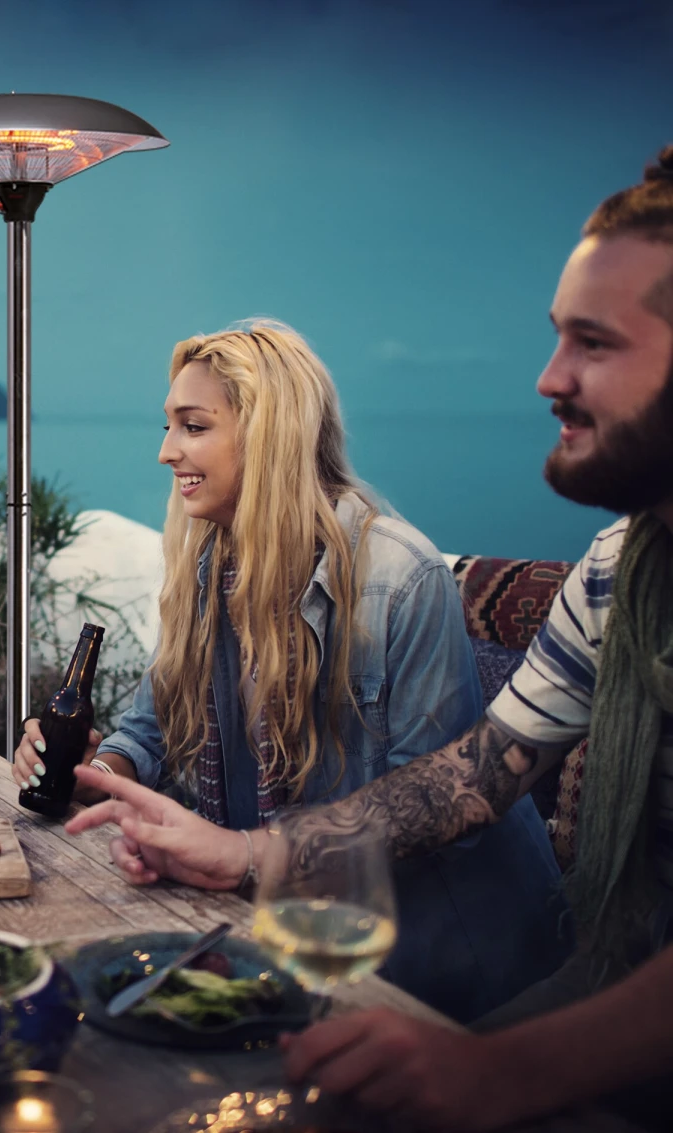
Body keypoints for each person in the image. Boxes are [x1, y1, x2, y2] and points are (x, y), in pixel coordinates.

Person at [64, 148, 673, 1132]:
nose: (547, 378)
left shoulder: (395, 574)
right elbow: (475, 772)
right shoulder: (618, 571)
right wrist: (229, 846)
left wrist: (500, 1068)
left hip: (449, 964)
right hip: (578, 978)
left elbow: (441, 831)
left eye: (593, 342)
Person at [17, 321, 568, 1021]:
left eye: (193, 426)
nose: (166, 451)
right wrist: (92, 772)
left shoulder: (400, 578)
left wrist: (245, 853)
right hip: (285, 933)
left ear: (270, 435)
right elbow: (147, 733)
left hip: (441, 973)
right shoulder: (209, 569)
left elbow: (439, 810)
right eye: (168, 426)